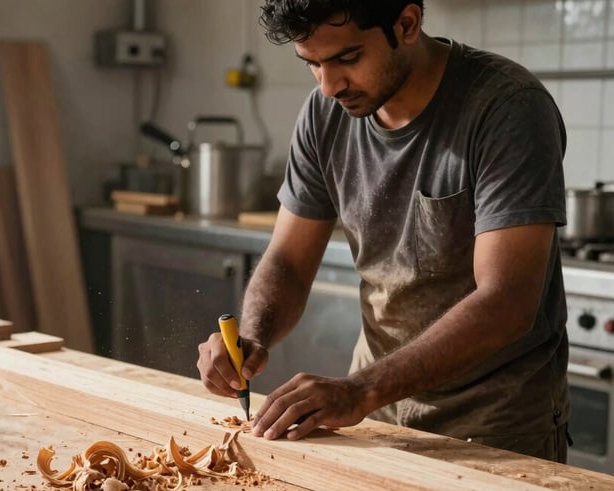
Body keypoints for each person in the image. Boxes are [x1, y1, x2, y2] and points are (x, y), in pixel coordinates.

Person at [196, 0, 570, 463]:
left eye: (347, 59)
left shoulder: (507, 108)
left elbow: (508, 301)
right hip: (373, 417)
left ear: (407, 24)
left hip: (497, 425)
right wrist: (252, 337)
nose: (329, 86)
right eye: (313, 64)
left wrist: (361, 389)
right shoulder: (323, 115)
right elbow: (289, 263)